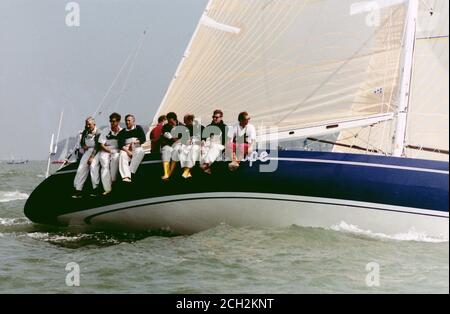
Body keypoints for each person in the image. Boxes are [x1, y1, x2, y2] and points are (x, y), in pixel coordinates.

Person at [90, 112, 122, 196]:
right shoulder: (105, 130)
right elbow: (101, 144)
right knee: (104, 162)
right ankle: (107, 188)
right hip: (105, 149)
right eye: (111, 121)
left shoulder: (122, 131)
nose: (112, 123)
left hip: (116, 150)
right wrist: (109, 151)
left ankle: (114, 181)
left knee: (116, 158)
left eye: (114, 121)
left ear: (118, 122)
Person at [72, 117, 101, 198]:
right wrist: (83, 145)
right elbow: (82, 141)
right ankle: (78, 190)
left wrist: (91, 157)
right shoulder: (85, 131)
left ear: (94, 124)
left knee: (93, 166)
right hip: (88, 150)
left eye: (89, 124)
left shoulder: (98, 132)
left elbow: (98, 146)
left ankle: (96, 189)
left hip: (97, 151)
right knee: (81, 168)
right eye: (86, 124)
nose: (88, 126)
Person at [118, 114, 146, 183]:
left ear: (133, 121)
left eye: (129, 120)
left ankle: (131, 171)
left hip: (136, 145)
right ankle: (126, 176)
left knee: (140, 151)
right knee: (122, 155)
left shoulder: (138, 128)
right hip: (126, 148)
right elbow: (120, 144)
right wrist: (128, 152)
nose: (127, 122)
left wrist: (135, 142)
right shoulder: (122, 132)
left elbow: (143, 138)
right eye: (126, 121)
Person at [200, 109, 227, 174]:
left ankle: (206, 165)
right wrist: (203, 142)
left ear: (221, 118)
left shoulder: (224, 127)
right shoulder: (208, 126)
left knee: (214, 147)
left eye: (216, 117)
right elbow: (203, 137)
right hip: (208, 144)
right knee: (202, 149)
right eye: (213, 117)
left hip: (218, 144)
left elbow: (225, 140)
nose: (214, 118)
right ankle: (206, 168)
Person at [178, 114, 204, 179]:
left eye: (185, 121)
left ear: (190, 120)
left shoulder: (201, 128)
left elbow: (204, 140)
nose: (184, 122)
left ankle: (187, 170)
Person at [160, 112, 182, 180]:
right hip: (168, 145)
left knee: (177, 151)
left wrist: (172, 138)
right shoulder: (165, 127)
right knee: (165, 151)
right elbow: (164, 136)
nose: (170, 123)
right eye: (168, 121)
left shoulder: (182, 126)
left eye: (171, 121)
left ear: (175, 120)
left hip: (178, 145)